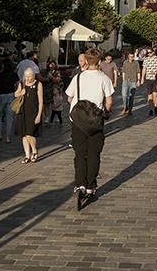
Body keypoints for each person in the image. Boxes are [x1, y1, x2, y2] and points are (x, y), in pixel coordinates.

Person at [66, 47, 114, 209]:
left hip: (78, 121)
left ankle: (79, 184)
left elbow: (69, 97)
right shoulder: (104, 78)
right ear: (99, 61)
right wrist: (106, 113)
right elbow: (109, 101)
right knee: (94, 154)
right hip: (95, 122)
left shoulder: (78, 77)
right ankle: (90, 186)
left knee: (80, 153)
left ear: (86, 61)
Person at [15, 67, 44, 163]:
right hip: (22, 112)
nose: (27, 78)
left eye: (29, 76)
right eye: (26, 76)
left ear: (33, 75)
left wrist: (39, 115)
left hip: (33, 113)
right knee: (24, 135)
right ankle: (27, 155)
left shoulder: (38, 84)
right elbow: (15, 94)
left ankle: (34, 151)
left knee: (30, 134)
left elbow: (40, 101)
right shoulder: (22, 83)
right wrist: (20, 93)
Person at [0, 52, 18, 144]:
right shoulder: (15, 75)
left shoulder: (0, 75)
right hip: (11, 95)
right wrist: (16, 94)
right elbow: (18, 86)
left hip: (1, 96)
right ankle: (8, 138)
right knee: (9, 117)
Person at [140, 48, 157, 117]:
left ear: (153, 52)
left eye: (150, 52)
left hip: (156, 79)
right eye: (148, 53)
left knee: (155, 94)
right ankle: (151, 109)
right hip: (148, 79)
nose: (148, 54)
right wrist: (142, 78)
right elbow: (144, 69)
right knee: (149, 95)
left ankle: (155, 107)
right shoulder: (146, 60)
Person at [119, 51, 140, 116]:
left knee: (131, 96)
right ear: (128, 57)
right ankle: (125, 107)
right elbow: (123, 71)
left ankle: (130, 110)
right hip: (126, 81)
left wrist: (138, 80)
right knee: (124, 95)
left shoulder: (136, 63)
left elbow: (138, 72)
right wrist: (123, 80)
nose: (131, 58)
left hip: (133, 81)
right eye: (130, 56)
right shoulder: (125, 62)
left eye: (132, 56)